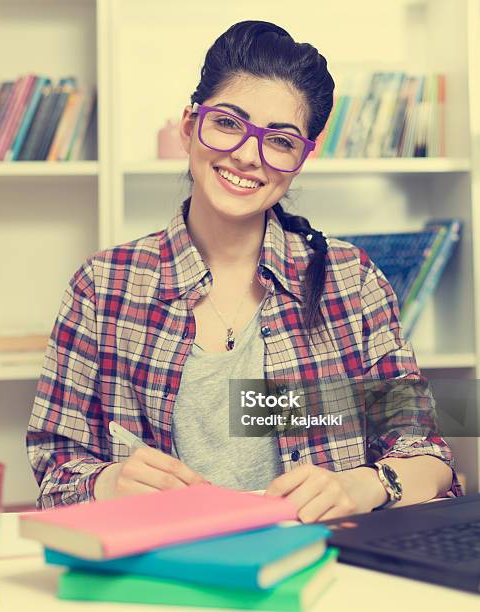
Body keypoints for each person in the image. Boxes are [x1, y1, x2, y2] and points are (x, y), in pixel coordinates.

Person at [27, 20, 461, 521]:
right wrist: (108, 481)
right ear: (191, 127)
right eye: (228, 123)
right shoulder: (102, 286)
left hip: (326, 569)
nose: (248, 156)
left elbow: (430, 459)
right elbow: (55, 466)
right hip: (159, 575)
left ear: (301, 159)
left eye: (280, 140)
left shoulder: (352, 280)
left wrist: (362, 485)